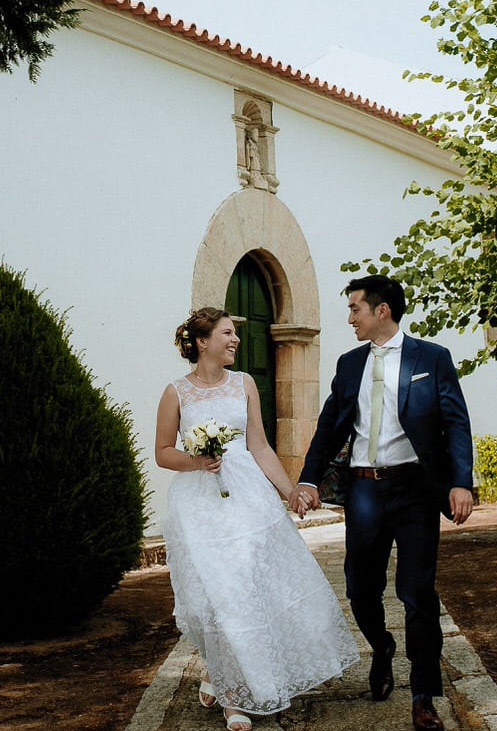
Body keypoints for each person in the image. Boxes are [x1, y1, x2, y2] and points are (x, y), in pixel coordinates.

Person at [155, 307, 358, 730]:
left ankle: (231, 684)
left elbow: (260, 447)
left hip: (246, 498)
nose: (235, 341)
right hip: (198, 505)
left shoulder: (244, 383)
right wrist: (197, 460)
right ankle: (231, 694)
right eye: (227, 333)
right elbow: (163, 453)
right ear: (202, 342)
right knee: (217, 595)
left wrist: (290, 493)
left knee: (246, 587)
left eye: (235, 334)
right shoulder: (176, 392)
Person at [291, 275, 475, 731]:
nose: (350, 317)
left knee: (417, 594)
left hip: (415, 490)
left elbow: (455, 422)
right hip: (365, 490)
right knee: (359, 589)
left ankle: (423, 696)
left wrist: (460, 483)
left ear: (382, 311)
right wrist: (309, 478)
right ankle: (381, 648)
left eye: (355, 308)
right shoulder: (350, 363)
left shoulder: (431, 358)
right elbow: (329, 424)